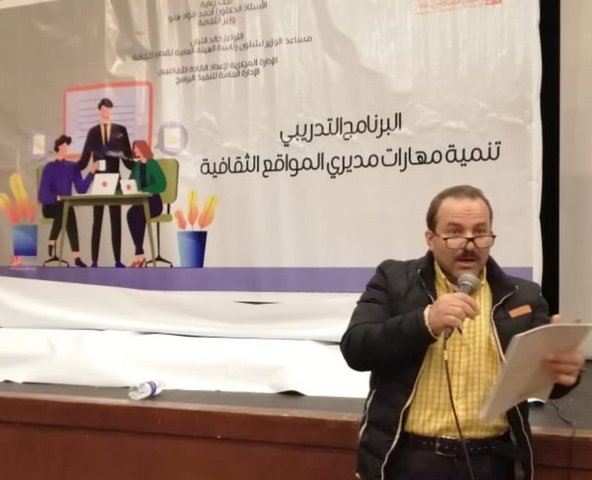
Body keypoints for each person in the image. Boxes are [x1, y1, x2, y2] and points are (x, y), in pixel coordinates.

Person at [340, 185, 585, 480]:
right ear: (430, 238)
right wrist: (426, 322)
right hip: (410, 459)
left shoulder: (523, 295)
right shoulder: (393, 280)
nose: (469, 245)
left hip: (493, 462)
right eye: (454, 232)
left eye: (480, 232)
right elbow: (356, 348)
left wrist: (563, 373)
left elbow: (541, 381)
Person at [78, 97, 134, 268]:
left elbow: (128, 159)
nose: (106, 111)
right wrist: (70, 168)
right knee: (97, 221)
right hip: (99, 180)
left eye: (109, 108)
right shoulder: (93, 132)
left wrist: (142, 162)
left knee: (116, 221)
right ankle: (94, 261)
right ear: (99, 110)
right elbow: (84, 159)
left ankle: (117, 260)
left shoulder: (121, 130)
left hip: (115, 180)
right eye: (104, 108)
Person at [38, 134, 98, 267]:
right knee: (64, 208)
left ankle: (75, 257)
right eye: (64, 145)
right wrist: (57, 197)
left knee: (68, 210)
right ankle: (55, 241)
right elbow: (42, 194)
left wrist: (91, 173)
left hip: (64, 206)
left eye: (67, 146)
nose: (66, 148)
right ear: (58, 146)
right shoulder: (49, 167)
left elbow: (81, 189)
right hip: (50, 206)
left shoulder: (72, 166)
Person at [126, 140, 166, 268]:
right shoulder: (136, 166)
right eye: (134, 148)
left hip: (154, 202)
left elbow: (162, 184)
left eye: (136, 148)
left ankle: (138, 255)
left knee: (139, 214)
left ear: (143, 148)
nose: (135, 150)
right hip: (140, 202)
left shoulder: (152, 163)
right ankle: (140, 253)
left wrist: (145, 189)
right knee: (131, 214)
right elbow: (129, 184)